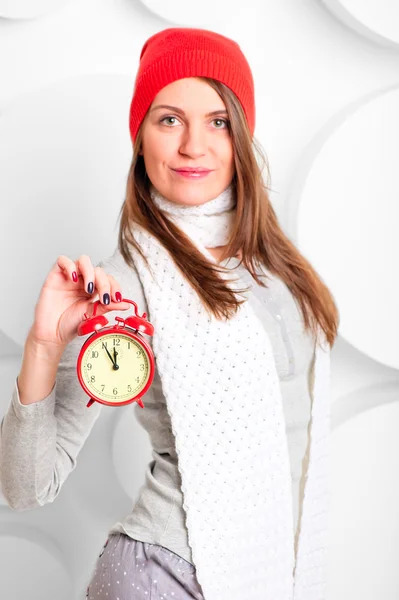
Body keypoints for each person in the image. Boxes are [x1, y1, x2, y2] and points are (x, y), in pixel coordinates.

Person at [0, 27, 339, 600]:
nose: (193, 146)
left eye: (217, 121)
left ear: (241, 134)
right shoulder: (122, 285)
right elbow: (27, 486)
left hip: (278, 572)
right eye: (169, 119)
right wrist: (42, 346)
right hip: (163, 577)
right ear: (141, 137)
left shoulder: (274, 262)